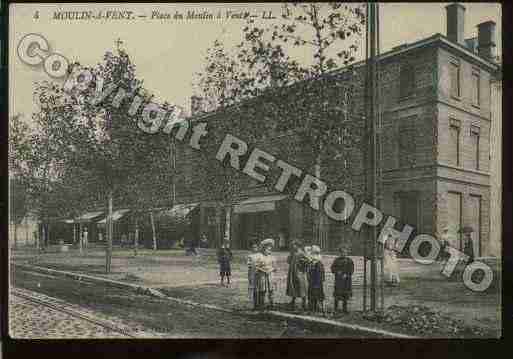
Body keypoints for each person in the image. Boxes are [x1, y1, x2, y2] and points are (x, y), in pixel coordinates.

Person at [286, 240, 309, 311]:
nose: (292, 246)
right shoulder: (292, 253)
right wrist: (290, 256)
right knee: (293, 285)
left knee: (301, 286)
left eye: (294, 245)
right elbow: (288, 261)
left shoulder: (302, 253)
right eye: (292, 245)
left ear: (298, 245)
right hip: (292, 272)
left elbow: (308, 260)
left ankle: (304, 302)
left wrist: (302, 263)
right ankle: (293, 301)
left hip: (300, 272)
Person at [254, 238, 277, 310]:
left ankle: (272, 304)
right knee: (262, 290)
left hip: (270, 276)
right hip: (262, 276)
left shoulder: (272, 257)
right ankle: (262, 304)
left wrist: (271, 270)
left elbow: (275, 268)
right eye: (267, 249)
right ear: (263, 249)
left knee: (271, 290)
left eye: (270, 249)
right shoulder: (260, 257)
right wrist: (263, 270)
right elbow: (256, 267)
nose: (269, 251)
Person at [331, 246, 354, 314]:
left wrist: (347, 274)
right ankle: (335, 308)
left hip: (346, 281)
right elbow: (332, 268)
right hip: (338, 281)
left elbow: (351, 270)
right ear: (340, 253)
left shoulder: (349, 260)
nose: (344, 253)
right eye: (342, 252)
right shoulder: (336, 260)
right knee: (337, 295)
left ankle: (345, 309)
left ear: (347, 253)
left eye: (345, 252)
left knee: (345, 295)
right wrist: (337, 271)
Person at [307, 245, 325, 313]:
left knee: (318, 294)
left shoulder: (319, 264)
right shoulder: (311, 263)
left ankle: (318, 307)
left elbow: (320, 275)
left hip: (317, 282)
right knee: (312, 294)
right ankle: (312, 307)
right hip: (312, 281)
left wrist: (318, 282)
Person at [247, 242, 262, 309]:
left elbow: (262, 263)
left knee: (260, 288)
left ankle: (260, 303)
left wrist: (259, 265)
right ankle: (255, 304)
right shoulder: (250, 256)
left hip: (260, 272)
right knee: (255, 288)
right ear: (251, 248)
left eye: (256, 247)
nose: (254, 249)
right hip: (252, 272)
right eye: (253, 247)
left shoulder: (260, 255)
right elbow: (249, 265)